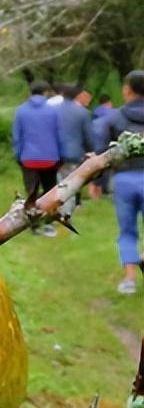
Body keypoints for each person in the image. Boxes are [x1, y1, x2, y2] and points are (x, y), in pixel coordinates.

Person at [95, 70, 144, 295]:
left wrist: (98, 182)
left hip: (123, 180)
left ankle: (129, 280)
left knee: (127, 231)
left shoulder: (113, 118)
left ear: (127, 90)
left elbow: (103, 154)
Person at [12, 80, 59, 236]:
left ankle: (33, 226)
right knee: (50, 193)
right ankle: (49, 225)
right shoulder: (53, 111)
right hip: (50, 158)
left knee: (31, 193)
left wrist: (19, 156)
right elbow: (59, 135)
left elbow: (17, 136)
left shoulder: (21, 111)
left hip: (29, 158)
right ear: (45, 93)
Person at [56, 84, 95, 218]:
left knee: (54, 184)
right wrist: (91, 151)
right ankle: (65, 214)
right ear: (76, 96)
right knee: (69, 185)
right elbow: (88, 136)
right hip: (73, 153)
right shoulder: (83, 112)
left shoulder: (52, 110)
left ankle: (50, 210)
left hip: (53, 153)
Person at [89, 94, 114, 199]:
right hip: (106, 143)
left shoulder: (94, 113)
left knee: (93, 169)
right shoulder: (113, 113)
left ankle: (93, 194)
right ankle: (101, 193)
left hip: (94, 143)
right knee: (106, 168)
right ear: (109, 103)